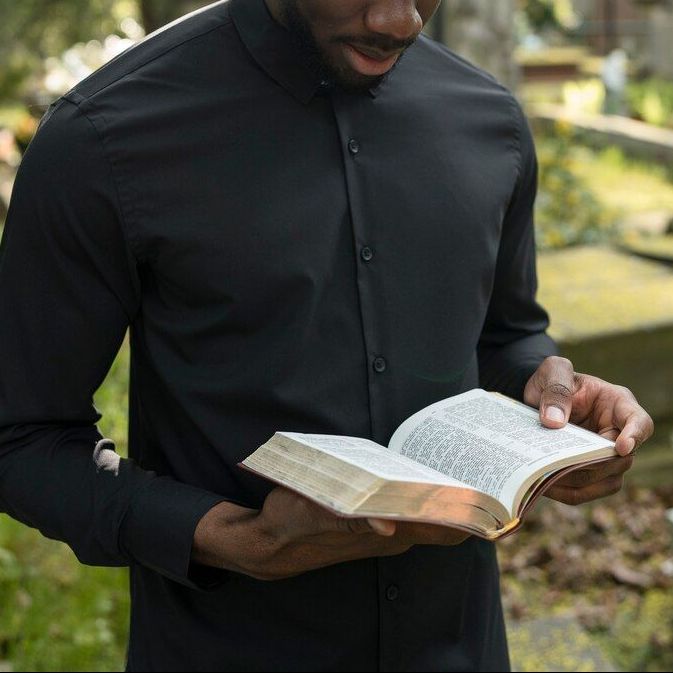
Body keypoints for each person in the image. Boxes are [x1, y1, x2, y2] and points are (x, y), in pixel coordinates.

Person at [0, 1, 653, 671]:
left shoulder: (490, 120)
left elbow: (505, 333)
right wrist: (229, 538)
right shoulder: (104, 136)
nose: (401, 20)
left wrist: (548, 389)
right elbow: (21, 437)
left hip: (463, 645)